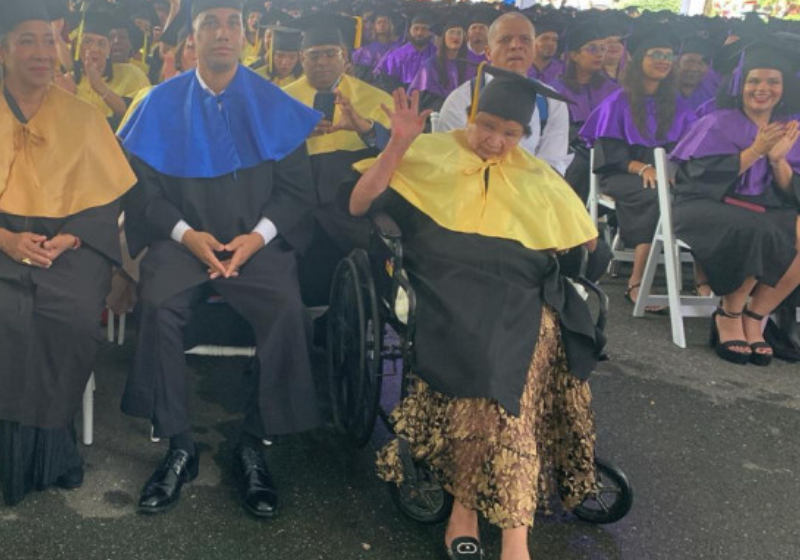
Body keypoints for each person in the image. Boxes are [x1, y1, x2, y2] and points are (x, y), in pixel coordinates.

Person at [351, 70, 603, 560]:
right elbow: (360, 203)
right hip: (450, 286)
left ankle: (474, 511)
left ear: (524, 136)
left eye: (511, 133)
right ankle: (507, 531)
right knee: (495, 372)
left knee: (530, 351)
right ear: (470, 116)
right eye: (487, 126)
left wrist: (575, 234)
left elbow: (583, 242)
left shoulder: (534, 173)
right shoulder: (430, 152)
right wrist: (399, 145)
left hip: (525, 291)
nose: (495, 141)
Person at [117, 0, 321, 518]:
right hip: (182, 243)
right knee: (159, 304)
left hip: (257, 244)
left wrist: (256, 238)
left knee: (286, 310)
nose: (224, 33)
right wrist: (188, 236)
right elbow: (143, 195)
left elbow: (296, 193)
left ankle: (254, 441)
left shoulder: (274, 104)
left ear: (247, 35)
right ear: (194, 36)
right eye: (212, 23)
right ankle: (180, 445)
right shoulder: (157, 103)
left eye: (234, 22)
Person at [0, 0, 136, 506]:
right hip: (1, 240)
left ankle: (53, 445)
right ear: (3, 51)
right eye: (26, 41)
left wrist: (72, 237)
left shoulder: (82, 117)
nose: (42, 53)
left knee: (70, 315)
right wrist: (7, 240)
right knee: (7, 316)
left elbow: (106, 198)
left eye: (49, 41)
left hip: (70, 246)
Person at [670, 38, 800, 366]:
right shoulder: (717, 121)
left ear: (784, 88)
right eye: (754, 80)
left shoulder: (790, 129)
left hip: (765, 207)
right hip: (707, 206)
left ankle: (756, 316)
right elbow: (697, 179)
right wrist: (755, 150)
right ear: (740, 83)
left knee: (779, 226)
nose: (763, 88)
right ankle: (728, 313)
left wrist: (777, 161)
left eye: (773, 81)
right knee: (760, 227)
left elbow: (790, 191)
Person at [580, 27, 697, 311]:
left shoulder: (677, 104)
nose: (663, 60)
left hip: (665, 174)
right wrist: (643, 167)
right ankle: (637, 281)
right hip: (621, 173)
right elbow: (610, 153)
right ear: (639, 60)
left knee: (694, 196)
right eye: (656, 54)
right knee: (654, 196)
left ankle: (702, 283)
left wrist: (670, 170)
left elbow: (687, 148)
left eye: (668, 56)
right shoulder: (619, 101)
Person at [283, 15, 392, 306]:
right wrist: (294, 136)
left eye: (331, 53)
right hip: (296, 199)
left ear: (345, 58)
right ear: (301, 60)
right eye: (314, 55)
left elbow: (396, 151)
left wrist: (366, 129)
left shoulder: (375, 98)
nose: (322, 62)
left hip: (348, 203)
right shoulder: (279, 100)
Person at [436, 12, 572, 176]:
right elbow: (450, 162)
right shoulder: (461, 100)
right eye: (505, 39)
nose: (516, 45)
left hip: (529, 192)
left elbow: (551, 165)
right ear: (488, 52)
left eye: (525, 39)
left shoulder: (552, 103)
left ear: (534, 50)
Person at [553, 24, 621, 202]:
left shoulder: (613, 90)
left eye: (602, 49)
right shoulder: (557, 90)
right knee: (577, 165)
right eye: (592, 48)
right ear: (574, 55)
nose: (599, 54)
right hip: (573, 151)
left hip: (608, 151)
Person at [55, 8, 151, 128]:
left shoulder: (131, 74)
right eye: (88, 41)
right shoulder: (68, 82)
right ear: (76, 46)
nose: (95, 48)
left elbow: (138, 116)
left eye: (101, 43)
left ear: (109, 49)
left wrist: (99, 86)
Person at [408, 19, 474, 112]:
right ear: (444, 38)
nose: (455, 36)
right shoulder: (430, 65)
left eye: (459, 33)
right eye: (451, 32)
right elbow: (421, 97)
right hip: (436, 113)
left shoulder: (469, 65)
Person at [374, 11, 436, 92]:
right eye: (416, 28)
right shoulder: (396, 55)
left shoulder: (437, 54)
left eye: (424, 29)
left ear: (430, 33)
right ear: (409, 31)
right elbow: (386, 83)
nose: (419, 33)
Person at [351, 9, 401, 82]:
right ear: (374, 26)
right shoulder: (365, 51)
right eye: (379, 22)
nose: (382, 25)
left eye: (385, 22)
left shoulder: (397, 47)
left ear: (390, 26)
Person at [676, 36, 720, 112]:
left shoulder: (713, 97)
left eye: (701, 63)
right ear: (677, 63)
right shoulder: (662, 92)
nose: (694, 68)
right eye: (689, 62)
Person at [528, 14, 564, 86]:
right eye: (545, 39)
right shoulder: (520, 67)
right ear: (533, 40)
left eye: (554, 40)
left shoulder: (562, 71)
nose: (551, 43)